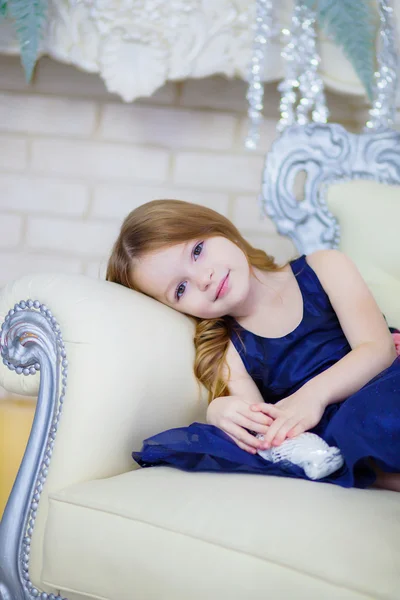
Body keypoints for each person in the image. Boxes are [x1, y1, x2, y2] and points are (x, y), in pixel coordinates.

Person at [106, 199, 400, 491]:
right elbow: (262, 431)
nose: (203, 278)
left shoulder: (324, 266)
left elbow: (378, 349)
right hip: (338, 428)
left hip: (383, 380)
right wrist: (221, 409)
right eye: (181, 289)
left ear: (219, 229)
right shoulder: (229, 352)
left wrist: (312, 397)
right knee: (348, 432)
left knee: (369, 415)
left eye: (197, 251)